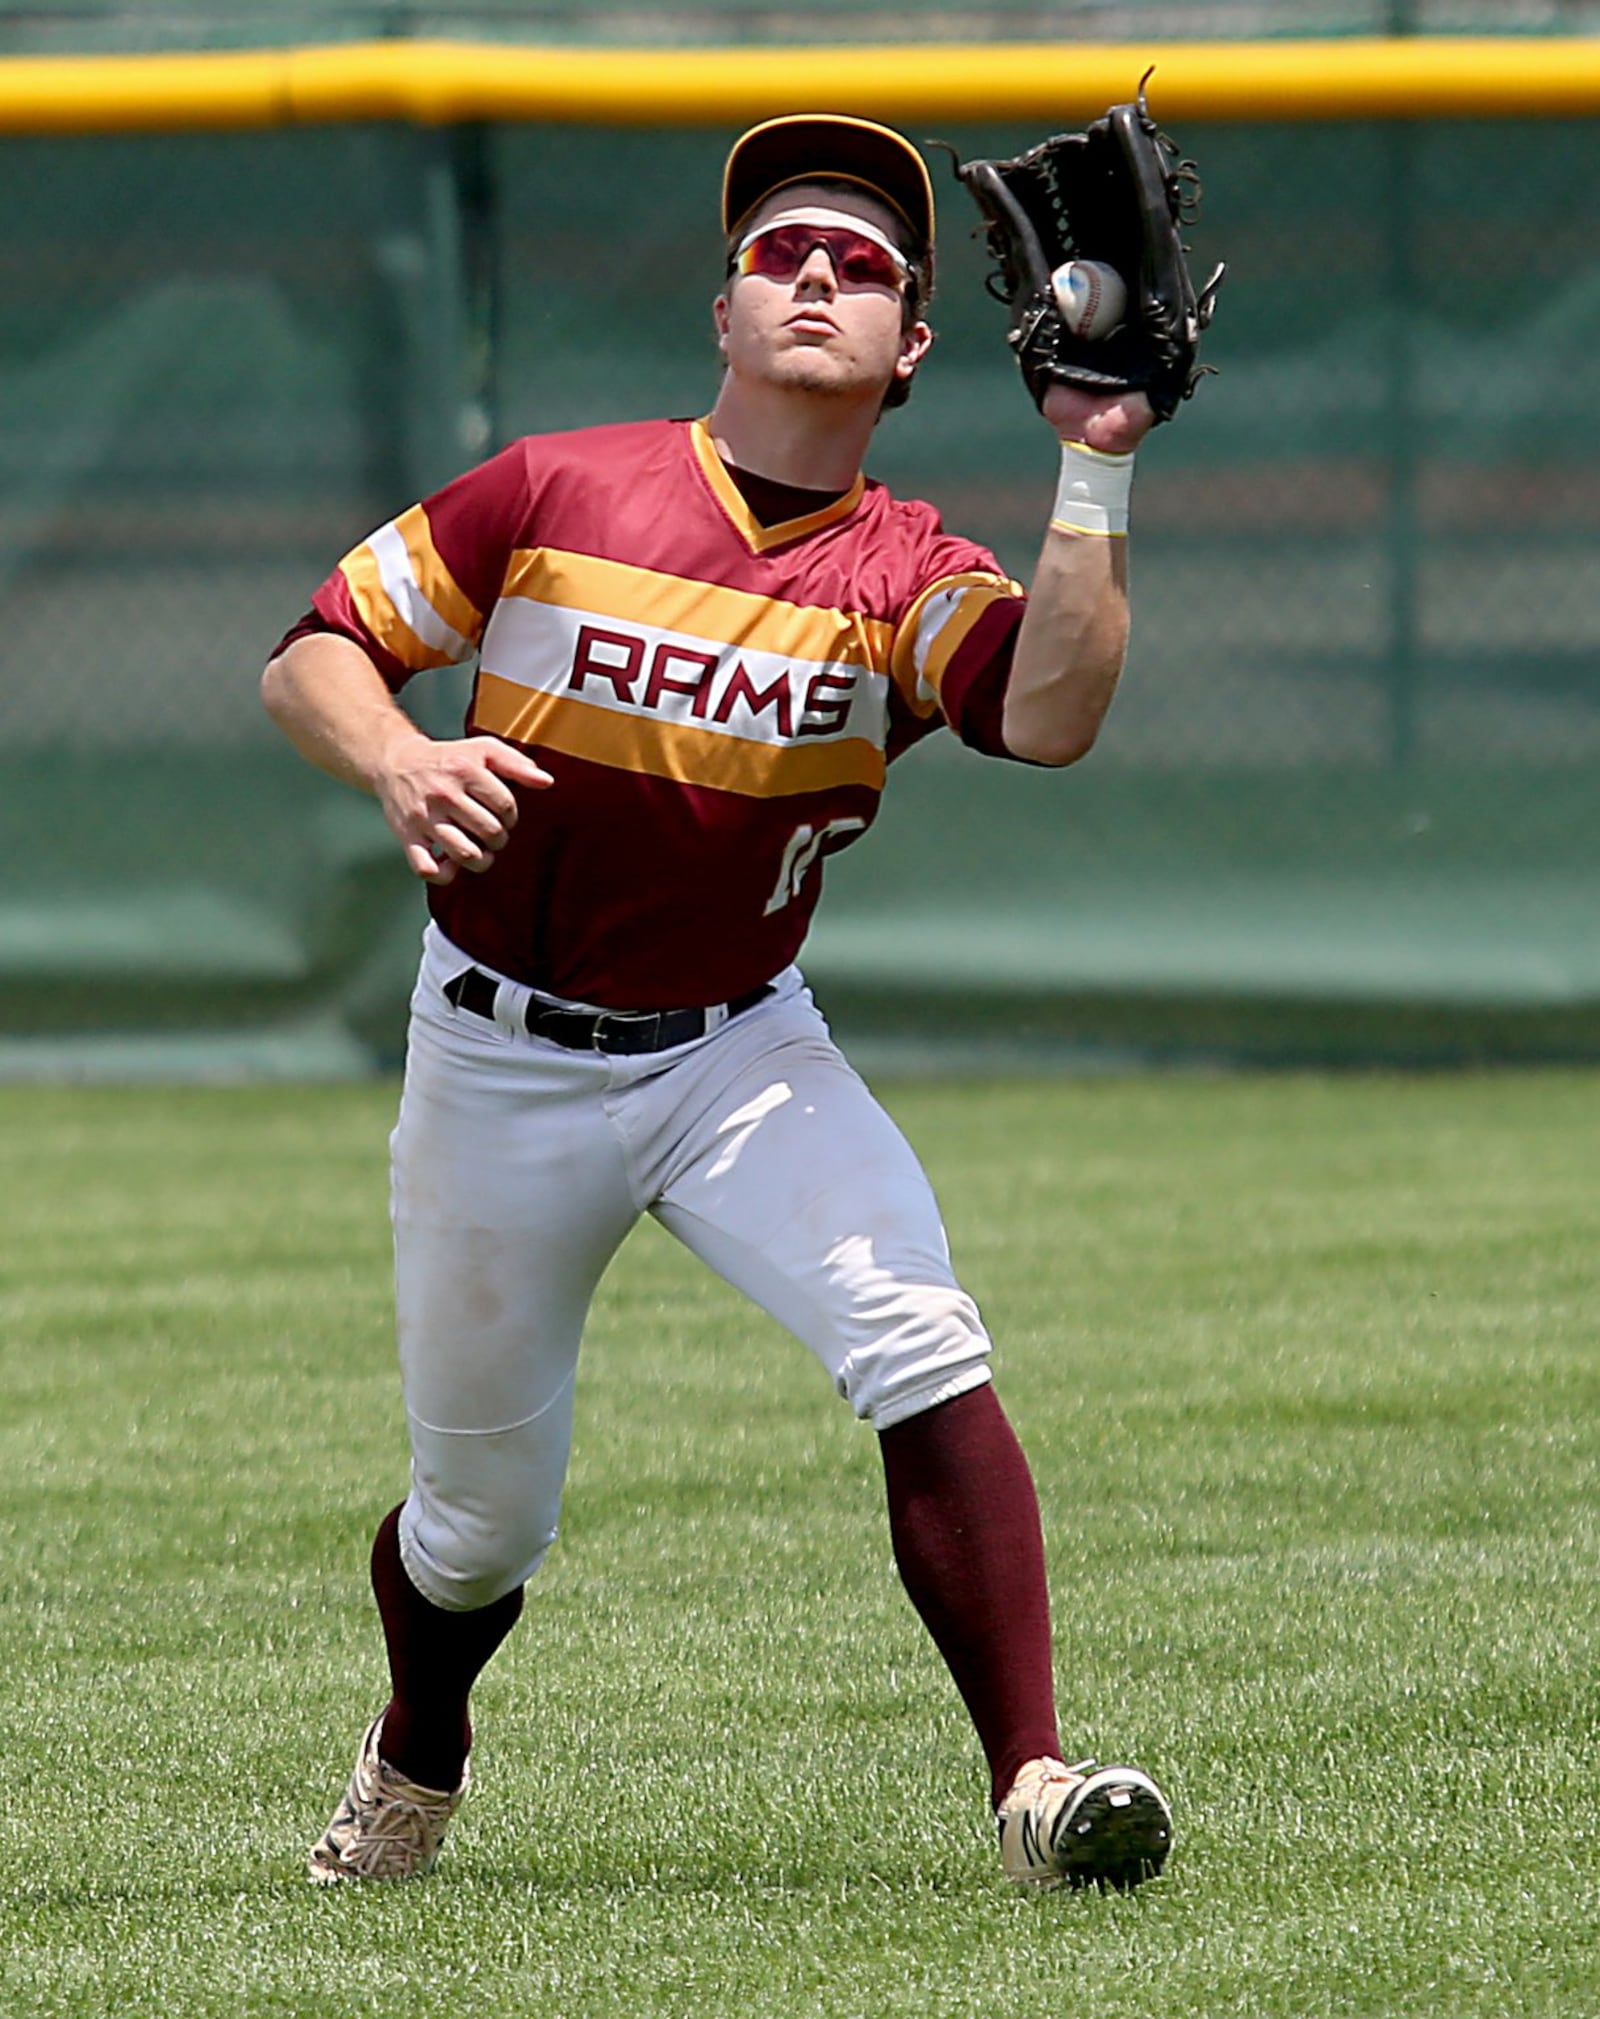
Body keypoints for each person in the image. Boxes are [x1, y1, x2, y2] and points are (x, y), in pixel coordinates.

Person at [262, 110, 1171, 1892]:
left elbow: (1053, 710)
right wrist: (390, 753)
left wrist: (1099, 467)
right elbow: (315, 650)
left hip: (738, 1051)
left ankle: (1036, 1789)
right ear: (725, 306)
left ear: (918, 342)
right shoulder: (554, 486)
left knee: (921, 1340)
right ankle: (418, 1747)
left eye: (864, 263)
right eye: (783, 252)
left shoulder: (907, 567)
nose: (819, 273)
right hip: (497, 1058)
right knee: (475, 1528)